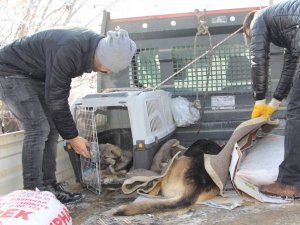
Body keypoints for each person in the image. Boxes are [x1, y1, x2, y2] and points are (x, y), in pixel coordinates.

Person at [0, 28, 136, 203]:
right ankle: (33, 191)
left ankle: (49, 186)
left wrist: (70, 134)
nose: (109, 72)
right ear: (102, 57)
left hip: (34, 76)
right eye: (109, 68)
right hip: (9, 73)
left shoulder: (88, 48)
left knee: (52, 127)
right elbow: (56, 100)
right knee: (38, 128)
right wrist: (73, 137)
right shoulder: (69, 49)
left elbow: (58, 94)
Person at [243, 0, 300, 198]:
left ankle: (290, 182)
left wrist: (259, 100)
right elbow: (291, 64)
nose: (253, 39)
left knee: (296, 112)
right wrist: (275, 102)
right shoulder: (289, 26)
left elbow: (258, 59)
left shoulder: (258, 19)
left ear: (248, 28)